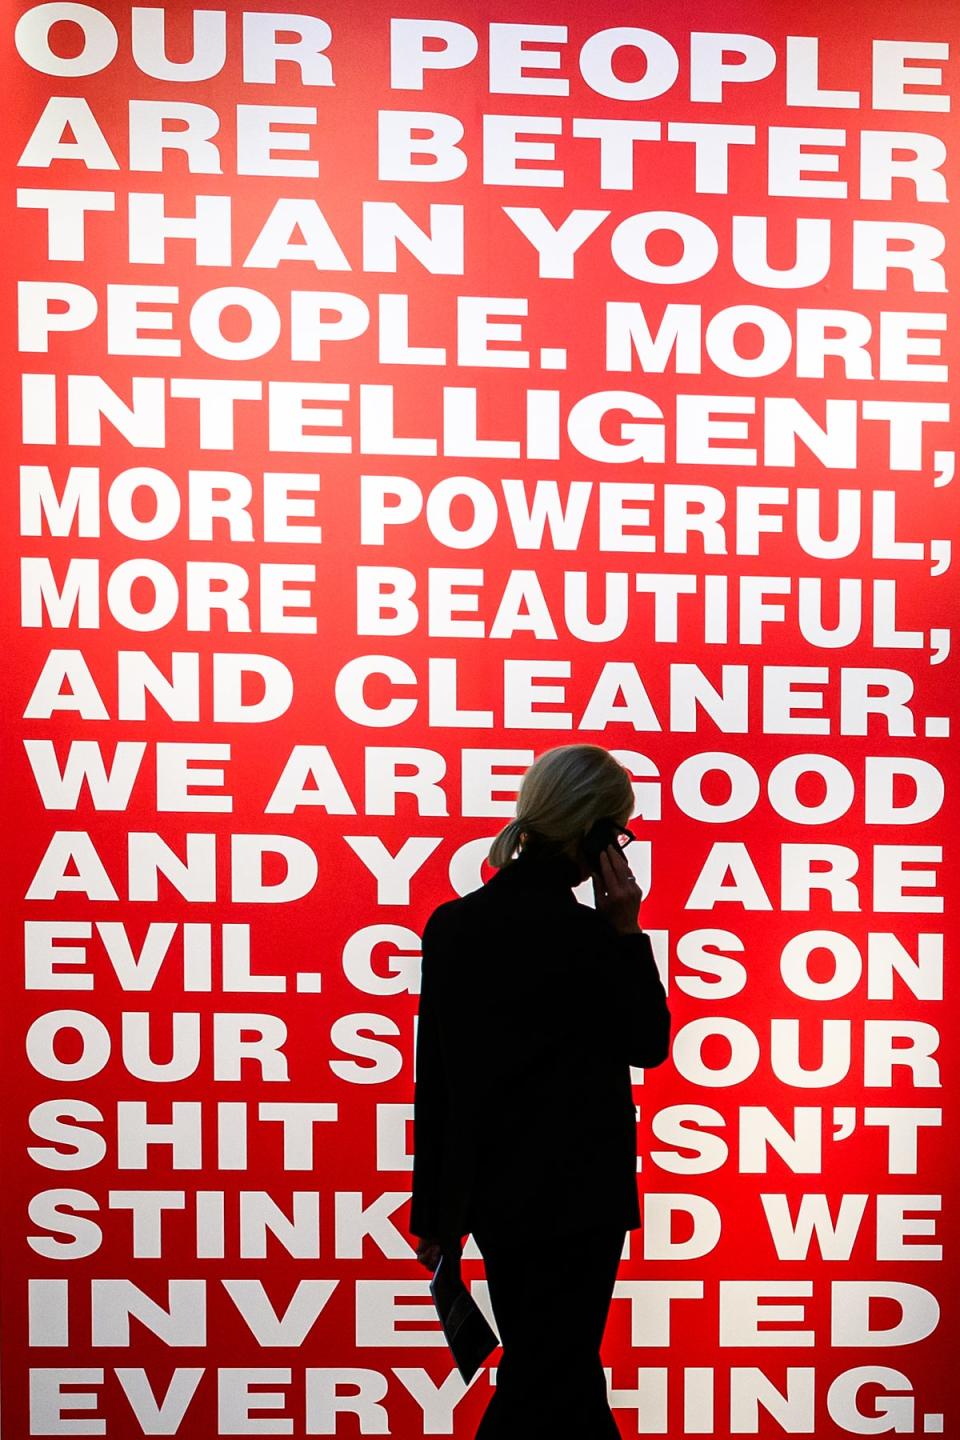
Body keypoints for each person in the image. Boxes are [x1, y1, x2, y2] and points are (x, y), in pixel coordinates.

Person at [409, 744, 671, 1437]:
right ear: (592, 831)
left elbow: (435, 1079)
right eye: (618, 831)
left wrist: (435, 1210)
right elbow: (649, 1042)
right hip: (583, 1201)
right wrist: (627, 930)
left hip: (496, 1198)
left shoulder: (454, 926)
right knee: (550, 1373)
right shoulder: (591, 938)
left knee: (556, 1370)